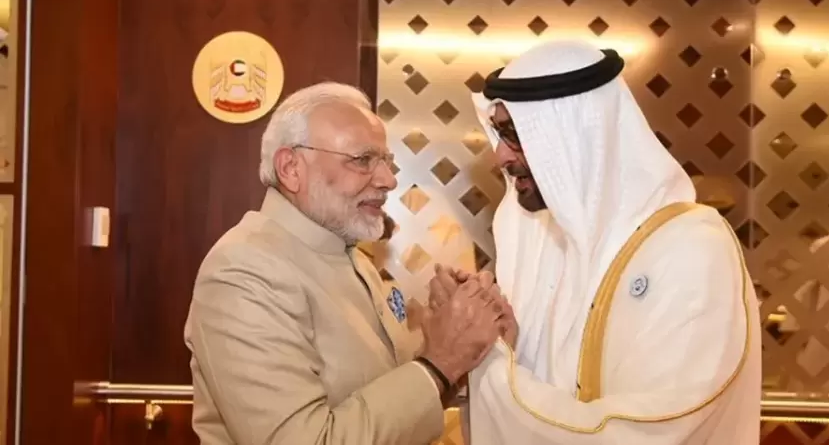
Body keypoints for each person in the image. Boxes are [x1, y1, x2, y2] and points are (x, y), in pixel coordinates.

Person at [446, 40, 762, 444]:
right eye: (500, 135)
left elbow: (646, 433)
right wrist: (492, 334)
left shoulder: (690, 249)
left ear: (580, 134)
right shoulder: (538, 242)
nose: (501, 157)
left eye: (516, 134)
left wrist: (487, 360)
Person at [183, 82, 505, 445]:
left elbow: (392, 407)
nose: (388, 180)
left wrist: (455, 334)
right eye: (363, 160)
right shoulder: (243, 271)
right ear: (291, 168)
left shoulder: (354, 260)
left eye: (386, 161)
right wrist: (440, 361)